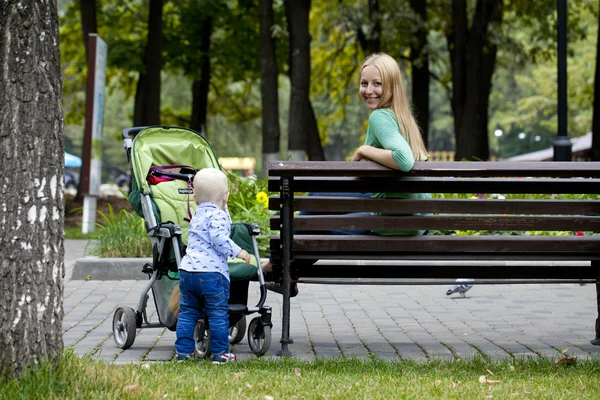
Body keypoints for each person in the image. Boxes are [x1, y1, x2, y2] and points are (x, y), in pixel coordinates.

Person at [264, 52, 430, 290]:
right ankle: (285, 272)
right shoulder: (403, 117)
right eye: (364, 84)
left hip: (391, 219)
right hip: (412, 216)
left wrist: (363, 149)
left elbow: (403, 160)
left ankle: (280, 271)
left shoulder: (381, 117)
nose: (369, 90)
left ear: (392, 86)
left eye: (377, 84)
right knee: (313, 203)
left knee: (311, 220)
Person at [175, 168, 251, 364]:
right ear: (225, 197)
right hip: (211, 274)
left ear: (196, 199)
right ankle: (220, 353)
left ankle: (183, 353)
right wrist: (239, 252)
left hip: (188, 271)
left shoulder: (197, 214)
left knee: (188, 312)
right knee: (217, 313)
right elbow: (219, 239)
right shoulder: (218, 215)